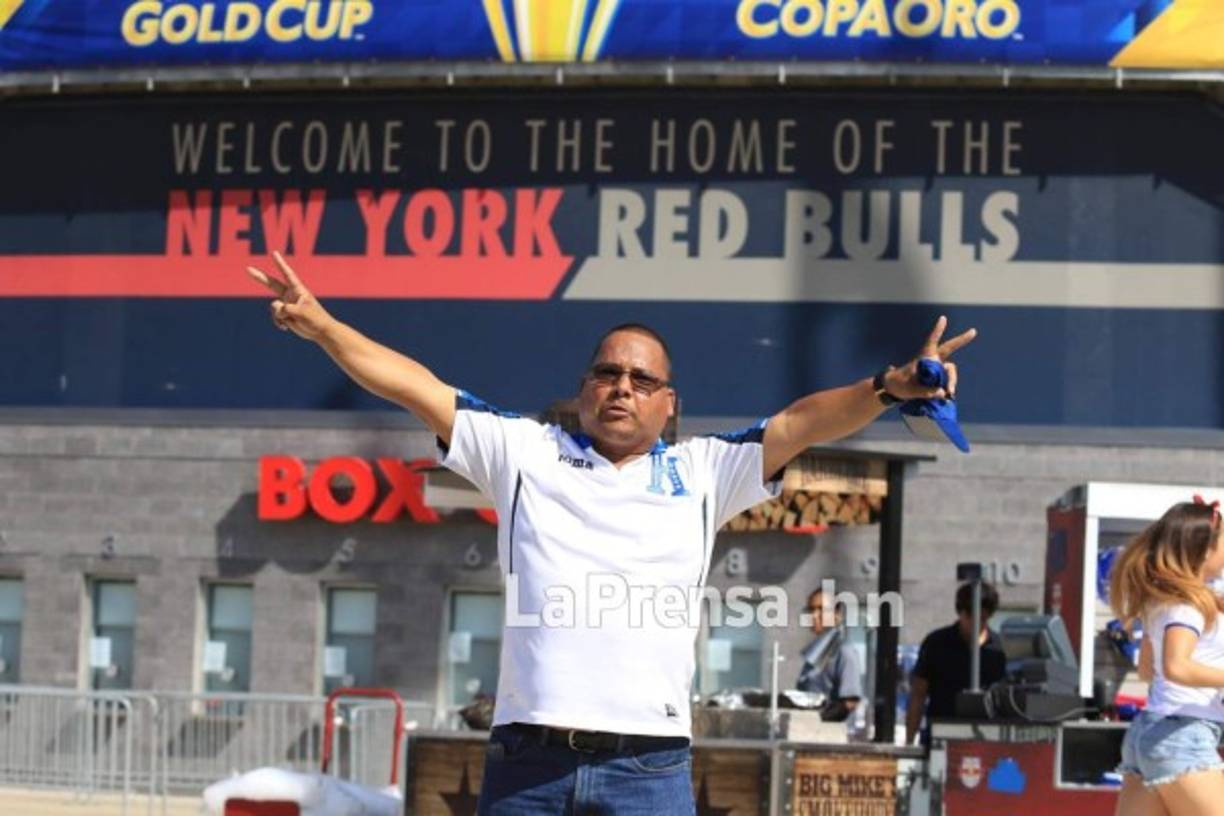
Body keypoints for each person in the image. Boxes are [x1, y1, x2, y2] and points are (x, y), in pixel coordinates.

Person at [246, 251, 976, 815]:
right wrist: (324, 326)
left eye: (641, 379)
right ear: (585, 389)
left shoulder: (704, 472)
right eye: (606, 372)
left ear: (669, 405)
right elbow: (414, 385)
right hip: (527, 764)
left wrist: (888, 387)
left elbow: (800, 422)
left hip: (647, 772)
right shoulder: (525, 453)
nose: (621, 386)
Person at [1110, 500, 1224, 816]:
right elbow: (1176, 666)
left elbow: (1148, 669)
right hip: (1182, 735)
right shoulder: (1187, 607)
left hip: (1148, 735)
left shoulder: (1164, 602)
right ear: (1205, 550)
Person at [905, 581, 1006, 746]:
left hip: (985, 739)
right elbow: (918, 694)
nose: (977, 625)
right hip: (940, 736)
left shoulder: (999, 650)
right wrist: (910, 742)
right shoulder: (937, 643)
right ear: (960, 613)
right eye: (971, 617)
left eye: (983, 619)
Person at [796, 587, 864, 722]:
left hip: (829, 735)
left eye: (821, 609)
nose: (814, 616)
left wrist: (816, 721)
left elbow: (850, 702)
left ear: (837, 615)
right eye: (811, 610)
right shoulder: (816, 654)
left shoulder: (844, 651)